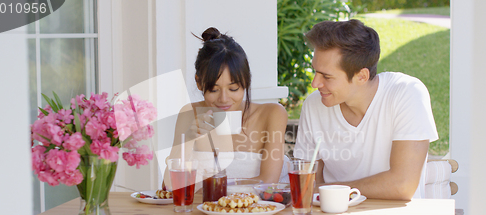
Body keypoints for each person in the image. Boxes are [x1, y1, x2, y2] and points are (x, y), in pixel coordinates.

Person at [293, 19, 438, 200]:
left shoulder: (406, 93)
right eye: (315, 71)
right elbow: (308, 183)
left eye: (327, 76)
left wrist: (332, 191)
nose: (315, 83)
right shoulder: (314, 105)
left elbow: (403, 185)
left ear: (361, 76)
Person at [164, 27, 288, 190]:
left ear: (246, 82)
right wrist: (188, 140)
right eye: (214, 90)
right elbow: (168, 187)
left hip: (260, 211)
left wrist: (212, 190)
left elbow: (268, 183)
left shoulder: (272, 114)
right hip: (204, 213)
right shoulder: (190, 114)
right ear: (199, 83)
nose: (223, 99)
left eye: (233, 89)